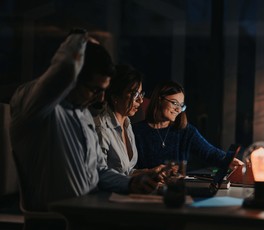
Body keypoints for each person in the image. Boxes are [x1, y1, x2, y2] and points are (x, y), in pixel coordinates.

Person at [9, 30, 159, 212]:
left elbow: (99, 171)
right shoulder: (38, 108)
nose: (102, 99)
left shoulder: (83, 114)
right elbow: (64, 68)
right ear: (73, 80)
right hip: (56, 223)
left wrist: (131, 183)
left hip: (89, 216)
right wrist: (82, 39)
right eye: (95, 89)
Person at [133, 80, 243, 173]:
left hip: (176, 190)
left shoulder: (185, 131)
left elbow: (209, 152)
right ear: (159, 99)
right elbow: (130, 170)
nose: (178, 109)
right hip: (146, 190)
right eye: (174, 103)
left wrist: (228, 160)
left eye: (181, 105)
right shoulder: (136, 132)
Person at [93, 64, 164, 176]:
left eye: (141, 94)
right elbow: (100, 175)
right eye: (134, 94)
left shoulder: (127, 124)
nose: (140, 100)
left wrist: (150, 173)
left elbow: (127, 172)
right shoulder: (101, 128)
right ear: (115, 96)